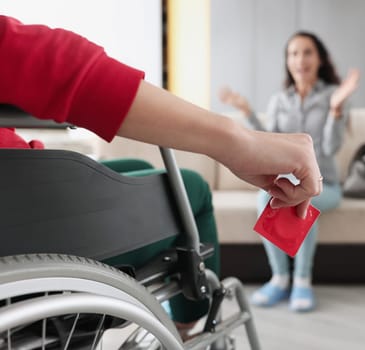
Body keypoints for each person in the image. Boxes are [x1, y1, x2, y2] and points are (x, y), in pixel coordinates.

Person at [0, 15, 322, 336]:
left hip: (24, 177)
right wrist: (234, 140)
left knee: (125, 169)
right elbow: (41, 60)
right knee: (191, 188)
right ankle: (186, 326)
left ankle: (289, 282)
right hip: (27, 221)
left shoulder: (325, 96)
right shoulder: (283, 98)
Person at [219, 31, 360, 312]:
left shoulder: (334, 96)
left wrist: (335, 109)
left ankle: (302, 281)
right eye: (294, 53)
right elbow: (269, 143)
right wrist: (247, 112)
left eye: (307, 52)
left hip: (326, 185)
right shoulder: (280, 100)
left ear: (319, 59)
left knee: (304, 201)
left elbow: (331, 148)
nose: (300, 59)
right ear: (288, 61)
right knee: (265, 199)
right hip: (292, 181)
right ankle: (280, 277)